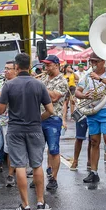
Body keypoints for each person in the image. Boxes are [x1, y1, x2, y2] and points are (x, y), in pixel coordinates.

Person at [0, 53, 53, 210]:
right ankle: (41, 203)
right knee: (37, 165)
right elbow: (50, 110)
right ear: (29, 66)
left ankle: (25, 206)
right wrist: (38, 118)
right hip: (35, 128)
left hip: (15, 129)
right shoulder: (39, 85)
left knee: (20, 165)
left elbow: (0, 111)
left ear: (16, 67)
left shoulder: (8, 85)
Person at [75, 52, 106, 186]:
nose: (93, 65)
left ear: (103, 62)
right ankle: (93, 172)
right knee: (94, 141)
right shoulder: (87, 74)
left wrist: (100, 79)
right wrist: (83, 96)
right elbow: (77, 90)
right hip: (92, 110)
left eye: (96, 62)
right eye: (91, 62)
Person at [37, 55, 69, 190]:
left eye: (49, 65)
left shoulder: (62, 81)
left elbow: (55, 97)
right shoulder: (43, 78)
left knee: (54, 149)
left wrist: (40, 87)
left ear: (56, 65)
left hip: (53, 118)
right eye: (45, 65)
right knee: (37, 150)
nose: (46, 68)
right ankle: (37, 177)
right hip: (39, 117)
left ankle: (53, 178)